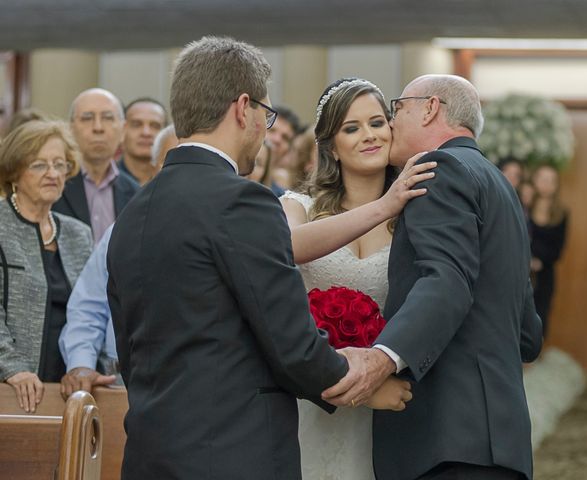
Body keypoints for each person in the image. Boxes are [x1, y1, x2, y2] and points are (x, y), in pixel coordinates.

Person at [106, 36, 410, 480]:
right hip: (233, 452)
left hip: (151, 451)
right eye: (266, 115)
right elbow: (290, 343)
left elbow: (130, 351)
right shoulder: (242, 203)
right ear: (242, 108)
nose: (265, 130)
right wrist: (363, 379)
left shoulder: (134, 211)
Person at [321, 74, 543, 480]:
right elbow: (527, 334)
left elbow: (447, 280)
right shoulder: (499, 184)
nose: (391, 123)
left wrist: (382, 357)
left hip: (447, 440)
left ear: (430, 108)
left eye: (397, 109)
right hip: (497, 440)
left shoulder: (438, 168)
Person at [280, 77, 436, 479]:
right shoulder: (297, 206)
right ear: (331, 146)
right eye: (351, 128)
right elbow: (291, 246)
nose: (369, 135)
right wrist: (385, 206)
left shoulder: (417, 216)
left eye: (377, 123)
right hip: (310, 400)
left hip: (391, 397)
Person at [58, 126, 179, 400]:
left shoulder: (226, 230)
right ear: (155, 169)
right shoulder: (124, 230)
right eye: (172, 162)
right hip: (121, 383)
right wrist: (80, 364)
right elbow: (88, 305)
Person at [0, 120, 93, 413]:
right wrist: (13, 367)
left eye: (60, 164)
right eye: (39, 165)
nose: (53, 174)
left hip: (67, 391)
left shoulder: (79, 234)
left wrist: (86, 367)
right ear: (14, 172)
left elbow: (94, 309)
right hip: (10, 385)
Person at [52, 88, 139, 244]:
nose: (98, 127)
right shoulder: (52, 183)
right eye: (87, 118)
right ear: (70, 128)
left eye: (107, 118)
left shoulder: (135, 193)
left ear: (123, 130)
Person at [528, 164, 568, 335]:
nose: (546, 184)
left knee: (541, 316)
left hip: (545, 274)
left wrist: (539, 261)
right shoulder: (525, 206)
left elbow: (558, 250)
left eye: (550, 180)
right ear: (534, 180)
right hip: (521, 270)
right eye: (542, 179)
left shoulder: (562, 213)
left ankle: (534, 359)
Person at [117, 97, 168, 185]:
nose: (146, 133)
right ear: (122, 130)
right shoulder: (107, 180)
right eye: (136, 125)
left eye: (155, 126)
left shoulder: (175, 180)